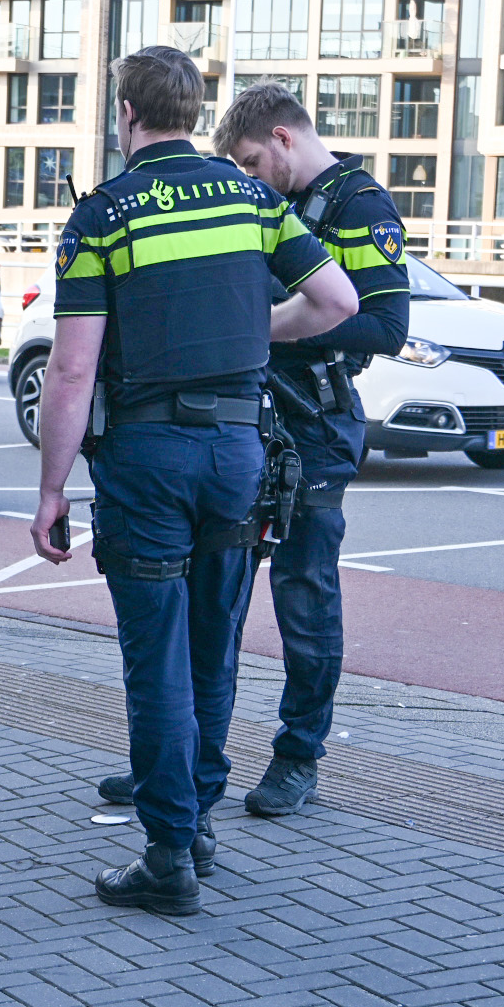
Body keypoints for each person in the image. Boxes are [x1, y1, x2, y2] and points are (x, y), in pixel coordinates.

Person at [31, 47, 356, 916]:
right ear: (193, 109)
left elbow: (70, 370)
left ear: (127, 117)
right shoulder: (252, 198)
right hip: (240, 452)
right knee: (215, 646)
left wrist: (51, 489)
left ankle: (169, 853)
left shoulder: (105, 214)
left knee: (156, 658)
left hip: (147, 458)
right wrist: (257, 332)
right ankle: (200, 825)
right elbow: (338, 304)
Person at [92, 82, 411, 822]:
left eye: (250, 161)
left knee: (304, 599)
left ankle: (299, 757)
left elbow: (385, 324)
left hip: (317, 430)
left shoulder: (358, 205)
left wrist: (257, 326)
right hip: (252, 425)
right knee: (217, 604)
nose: (248, 176)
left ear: (284, 138)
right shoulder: (269, 204)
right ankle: (188, 762)